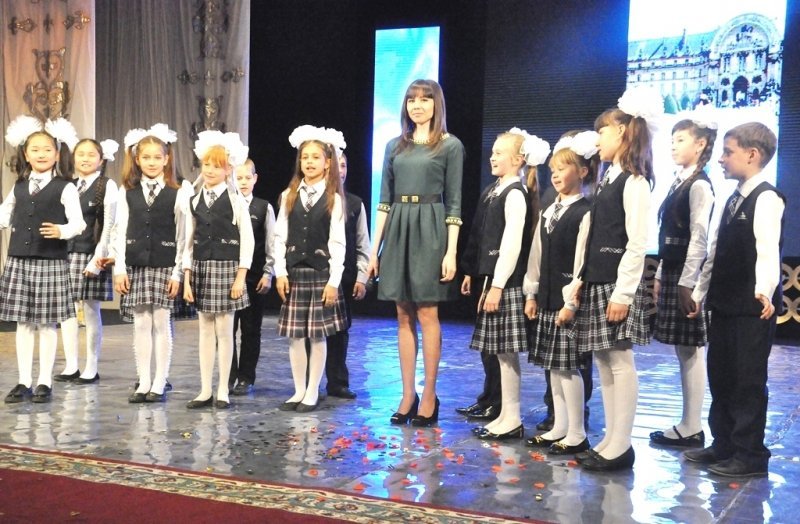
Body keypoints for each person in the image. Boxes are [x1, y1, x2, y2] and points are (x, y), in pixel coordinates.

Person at [684, 122, 784, 478]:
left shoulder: (766, 197)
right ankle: (724, 443)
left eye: (728, 152)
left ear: (752, 155)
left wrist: (765, 289)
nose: (722, 159)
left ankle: (749, 454)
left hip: (751, 306)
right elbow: (715, 251)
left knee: (747, 381)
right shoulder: (732, 199)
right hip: (724, 303)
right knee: (722, 375)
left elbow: (767, 249)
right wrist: (700, 291)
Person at [573, 87, 661, 471]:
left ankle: (622, 444)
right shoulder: (610, 177)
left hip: (616, 283)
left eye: (603, 131)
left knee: (620, 361)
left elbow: (637, 242)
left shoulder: (634, 181)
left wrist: (623, 292)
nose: (598, 139)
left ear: (623, 132)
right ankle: (611, 438)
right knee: (605, 361)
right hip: (599, 279)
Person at [367, 79, 464, 427]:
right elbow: (383, 202)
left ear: (437, 104)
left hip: (430, 227)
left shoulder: (450, 145)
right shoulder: (394, 146)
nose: (417, 105)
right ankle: (407, 394)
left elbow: (454, 202)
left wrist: (451, 252)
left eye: (424, 99)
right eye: (411, 100)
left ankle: (429, 395)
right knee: (402, 313)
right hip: (398, 228)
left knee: (427, 312)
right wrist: (374, 250)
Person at [461, 128, 545, 440]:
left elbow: (511, 244)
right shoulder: (497, 190)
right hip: (495, 280)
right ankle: (506, 415)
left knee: (507, 353)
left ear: (518, 159)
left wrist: (497, 286)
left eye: (499, 153)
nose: (492, 157)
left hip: (507, 283)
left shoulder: (515, 193)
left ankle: (512, 417)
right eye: (493, 152)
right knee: (501, 354)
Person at [1, 116, 86, 404]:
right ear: (26, 154)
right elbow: (5, 213)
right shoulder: (19, 185)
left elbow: (78, 223)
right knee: (23, 323)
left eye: (47, 149)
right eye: (35, 150)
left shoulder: (65, 187)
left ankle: (44, 382)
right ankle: (24, 380)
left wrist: (62, 230)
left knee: (47, 323)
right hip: (20, 260)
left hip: (50, 260)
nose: (41, 154)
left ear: (57, 154)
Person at [524, 130, 596, 454]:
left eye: (563, 168)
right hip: (547, 298)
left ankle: (577, 432)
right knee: (553, 367)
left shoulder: (585, 211)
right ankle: (560, 426)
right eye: (552, 169)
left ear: (582, 171)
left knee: (569, 367)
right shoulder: (548, 212)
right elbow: (536, 256)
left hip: (568, 302)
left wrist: (571, 302)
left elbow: (582, 261)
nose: (555, 174)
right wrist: (531, 293)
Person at [649, 115, 717, 447]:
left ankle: (692, 425)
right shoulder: (680, 181)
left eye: (680, 140)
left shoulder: (700, 184)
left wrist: (687, 282)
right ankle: (688, 422)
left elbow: (699, 239)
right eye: (672, 140)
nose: (673, 146)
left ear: (700, 144)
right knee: (684, 349)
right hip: (675, 270)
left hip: (687, 275)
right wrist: (661, 272)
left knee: (691, 350)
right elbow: (670, 233)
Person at [273, 125, 348, 413]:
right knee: (296, 335)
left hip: (320, 273)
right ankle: (298, 390)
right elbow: (279, 237)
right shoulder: (289, 195)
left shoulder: (333, 198)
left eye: (316, 157)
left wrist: (334, 281)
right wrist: (280, 271)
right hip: (294, 273)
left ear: (328, 163)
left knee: (317, 335)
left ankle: (313, 390)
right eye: (305, 157)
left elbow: (338, 243)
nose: (309, 162)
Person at [114, 123, 189, 403]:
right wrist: (119, 268)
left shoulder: (178, 192)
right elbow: (119, 230)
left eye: (158, 157)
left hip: (164, 264)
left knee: (161, 321)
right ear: (137, 159)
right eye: (146, 157)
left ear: (167, 159)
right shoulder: (127, 191)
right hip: (136, 264)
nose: (152, 162)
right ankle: (143, 380)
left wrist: (178, 273)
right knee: (141, 323)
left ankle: (159, 381)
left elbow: (183, 235)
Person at [183, 131, 254, 409]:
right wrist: (187, 278)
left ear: (228, 170)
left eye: (217, 166)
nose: (210, 170)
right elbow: (188, 242)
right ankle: (205, 389)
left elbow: (247, 240)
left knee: (225, 331)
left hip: (227, 268)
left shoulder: (236, 201)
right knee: (204, 330)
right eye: (207, 165)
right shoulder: (194, 200)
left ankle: (223, 388)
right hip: (202, 267)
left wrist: (240, 277)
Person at [56, 138, 119, 385]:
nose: (85, 158)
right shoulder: (69, 185)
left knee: (91, 310)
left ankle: (91, 366)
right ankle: (71, 364)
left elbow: (109, 224)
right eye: (81, 154)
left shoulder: (106, 185)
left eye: (91, 154)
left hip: (92, 253)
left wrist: (98, 258)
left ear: (101, 160)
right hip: (66, 253)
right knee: (67, 311)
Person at [324, 150, 370, 399]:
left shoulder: (354, 203)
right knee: (310, 332)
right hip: (316, 273)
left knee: (339, 331)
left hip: (345, 276)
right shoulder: (312, 200)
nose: (340, 171)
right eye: (336, 165)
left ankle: (337, 382)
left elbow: (363, 244)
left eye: (344, 165)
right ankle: (308, 383)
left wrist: (362, 278)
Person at [229, 159, 275, 396]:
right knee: (226, 331)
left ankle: (246, 377)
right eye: (238, 178)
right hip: (227, 279)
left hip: (254, 279)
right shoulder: (227, 204)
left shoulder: (263, 208)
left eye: (247, 177)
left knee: (250, 330)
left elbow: (271, 244)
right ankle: (229, 376)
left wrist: (268, 273)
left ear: (255, 179)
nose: (243, 182)